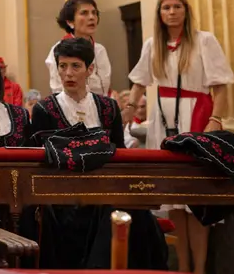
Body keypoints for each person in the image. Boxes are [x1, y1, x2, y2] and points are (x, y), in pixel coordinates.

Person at [27, 38, 166, 269]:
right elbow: (44, 160)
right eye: (63, 66)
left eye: (75, 66)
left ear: (90, 69)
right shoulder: (45, 109)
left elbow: (120, 153)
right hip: (65, 198)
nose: (68, 73)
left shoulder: (107, 107)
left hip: (106, 190)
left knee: (134, 210)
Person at [124, 0, 234, 274]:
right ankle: (182, 266)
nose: (171, 12)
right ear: (159, 14)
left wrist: (216, 119)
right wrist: (128, 110)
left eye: (176, 7)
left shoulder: (204, 41)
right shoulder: (153, 45)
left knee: (195, 199)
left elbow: (220, 87)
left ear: (186, 10)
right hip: (163, 119)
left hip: (195, 115)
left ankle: (200, 268)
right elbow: (138, 82)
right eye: (166, 8)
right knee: (174, 197)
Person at [44, 0, 111, 96]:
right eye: (84, 13)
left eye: (94, 13)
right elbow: (57, 88)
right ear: (70, 22)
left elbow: (105, 86)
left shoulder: (99, 49)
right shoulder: (58, 49)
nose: (92, 17)